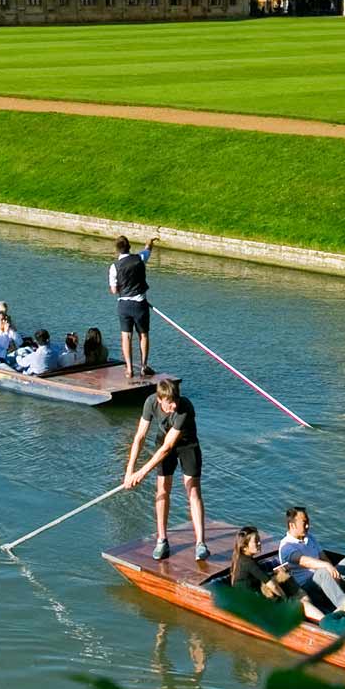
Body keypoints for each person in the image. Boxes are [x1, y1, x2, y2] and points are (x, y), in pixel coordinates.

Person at [122, 378, 205, 561]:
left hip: (187, 445)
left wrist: (142, 472)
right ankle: (162, 540)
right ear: (160, 400)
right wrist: (130, 470)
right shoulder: (150, 402)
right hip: (163, 442)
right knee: (162, 489)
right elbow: (140, 437)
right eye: (169, 402)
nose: (174, 405)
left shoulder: (185, 407)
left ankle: (200, 543)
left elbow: (167, 447)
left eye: (176, 400)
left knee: (192, 490)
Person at [228, 525, 325, 621]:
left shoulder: (240, 559)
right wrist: (285, 600)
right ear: (244, 547)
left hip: (250, 600)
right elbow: (272, 586)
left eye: (259, 539)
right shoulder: (249, 563)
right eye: (256, 541)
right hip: (254, 606)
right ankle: (326, 623)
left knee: (287, 581)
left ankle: (310, 617)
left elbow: (258, 577)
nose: (259, 543)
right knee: (304, 605)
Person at [108, 235, 156, 379]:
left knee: (126, 336)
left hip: (124, 305)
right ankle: (143, 366)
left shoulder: (114, 267)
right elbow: (148, 249)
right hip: (140, 303)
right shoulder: (140, 258)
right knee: (143, 335)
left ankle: (129, 369)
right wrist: (150, 241)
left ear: (117, 250)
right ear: (129, 247)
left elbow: (114, 290)